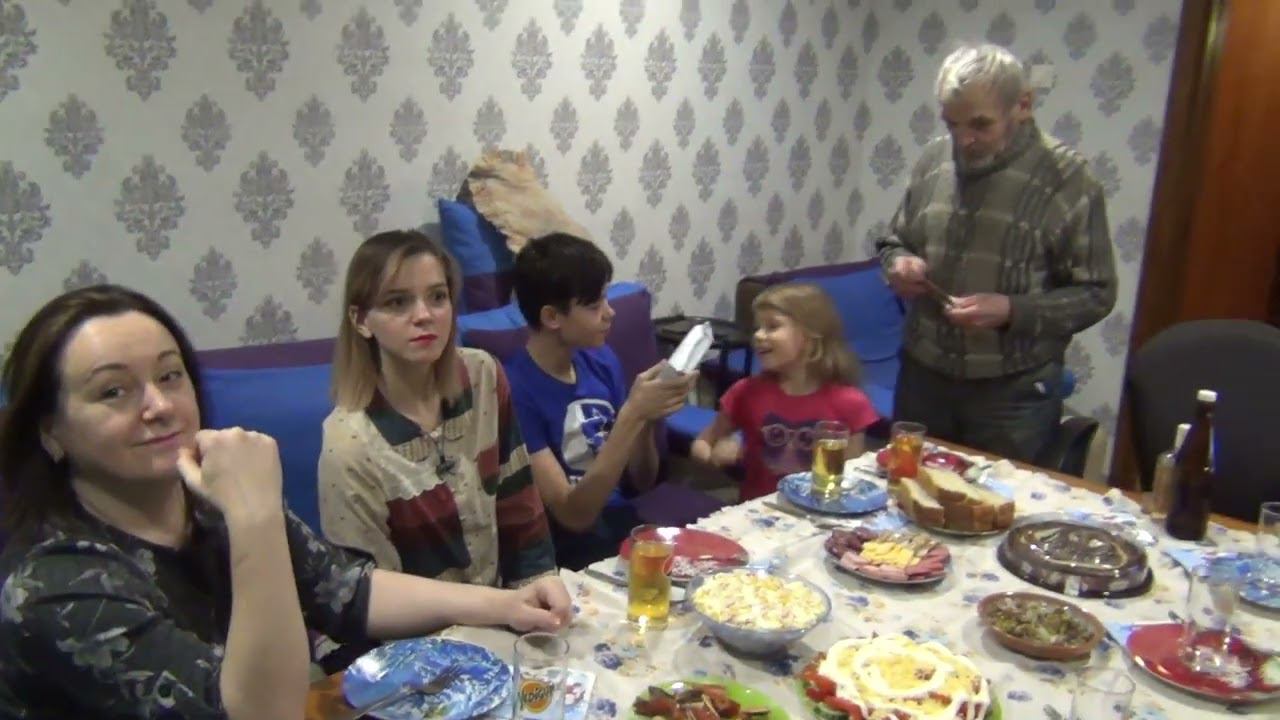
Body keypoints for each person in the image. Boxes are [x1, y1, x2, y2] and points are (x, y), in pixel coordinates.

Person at [0, 285, 571, 720]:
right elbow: (259, 714)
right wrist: (254, 519)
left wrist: (504, 603)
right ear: (50, 431)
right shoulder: (55, 586)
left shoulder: (204, 500)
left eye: (170, 377)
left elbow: (347, 589)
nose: (159, 406)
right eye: (113, 391)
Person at [876, 42, 1117, 464]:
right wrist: (897, 262)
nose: (963, 139)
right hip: (922, 377)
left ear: (1022, 105)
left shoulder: (1068, 178)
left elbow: (1096, 293)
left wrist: (1010, 311)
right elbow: (894, 240)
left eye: (980, 124)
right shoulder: (933, 159)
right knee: (908, 492)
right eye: (952, 124)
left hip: (1012, 393)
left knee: (997, 501)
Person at [319, 229, 558, 588]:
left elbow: (519, 503)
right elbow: (369, 597)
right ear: (361, 320)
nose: (424, 315)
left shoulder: (482, 375)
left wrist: (541, 586)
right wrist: (500, 608)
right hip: (416, 623)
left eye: (437, 297)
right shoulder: (349, 443)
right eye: (397, 302)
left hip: (506, 608)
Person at [504, 234, 696, 569]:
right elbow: (572, 516)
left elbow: (642, 480)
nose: (610, 313)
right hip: (564, 545)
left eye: (606, 298)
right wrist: (632, 414)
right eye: (594, 306)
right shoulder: (514, 389)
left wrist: (648, 418)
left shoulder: (600, 360)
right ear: (552, 317)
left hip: (620, 520)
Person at [691, 284, 879, 501]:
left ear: (810, 336)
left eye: (772, 326)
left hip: (822, 511)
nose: (758, 335)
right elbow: (701, 443)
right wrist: (714, 455)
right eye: (757, 328)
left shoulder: (851, 403)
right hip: (758, 510)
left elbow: (850, 476)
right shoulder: (745, 392)